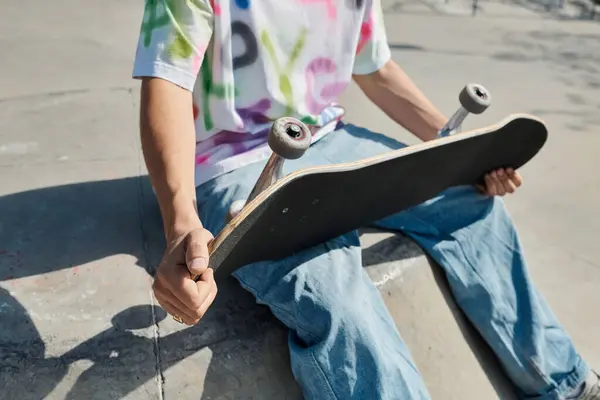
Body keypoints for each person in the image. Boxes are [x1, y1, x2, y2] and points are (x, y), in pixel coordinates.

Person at [131, 0, 598, 398]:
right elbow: (166, 83)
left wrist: (458, 155)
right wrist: (180, 221)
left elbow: (374, 67)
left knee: (468, 204)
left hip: (329, 135)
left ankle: (565, 385)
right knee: (330, 283)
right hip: (231, 161)